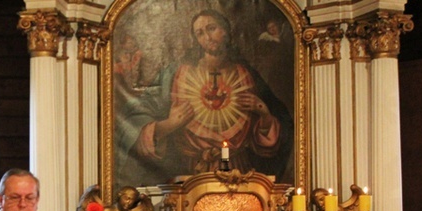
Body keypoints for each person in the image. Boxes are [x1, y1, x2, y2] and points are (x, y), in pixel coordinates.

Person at [115, 9, 293, 191]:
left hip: (239, 177)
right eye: (200, 33)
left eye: (211, 28)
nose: (207, 37)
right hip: (189, 176)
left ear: (225, 31)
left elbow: (279, 133)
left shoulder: (246, 74)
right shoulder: (176, 73)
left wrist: (264, 113)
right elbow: (134, 114)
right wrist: (169, 124)